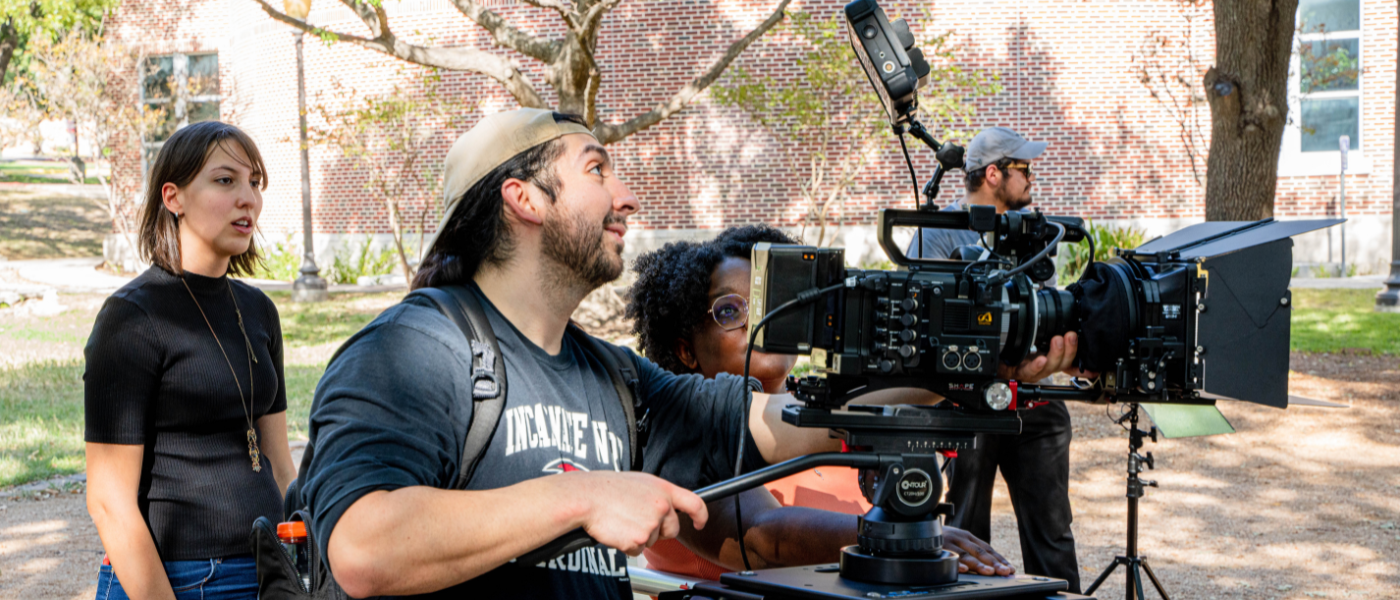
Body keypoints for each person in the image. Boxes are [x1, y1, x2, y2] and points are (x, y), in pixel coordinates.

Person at [295, 109, 1082, 599]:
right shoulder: (412, 345)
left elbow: (791, 424)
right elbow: (364, 548)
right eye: (597, 169)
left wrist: (966, 372)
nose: (626, 197)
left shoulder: (611, 376)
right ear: (523, 199)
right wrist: (583, 497)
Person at [627, 225, 1015, 579]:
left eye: (771, 304)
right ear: (685, 350)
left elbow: (881, 405)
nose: (759, 321)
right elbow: (765, 537)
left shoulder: (819, 405)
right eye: (730, 310)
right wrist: (903, 540)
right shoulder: (681, 426)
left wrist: (995, 362)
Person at [84, 121, 297, 600]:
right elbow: (108, 500)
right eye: (226, 181)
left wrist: (305, 551)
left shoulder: (259, 310)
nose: (248, 198)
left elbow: (281, 461)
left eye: (254, 182)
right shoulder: (132, 317)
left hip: (270, 569)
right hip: (183, 578)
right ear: (173, 197)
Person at [907, 126, 1085, 592]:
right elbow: (921, 329)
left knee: (1053, 533)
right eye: (1023, 168)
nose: (1032, 178)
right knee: (966, 529)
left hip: (1034, 397)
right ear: (993, 174)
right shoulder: (938, 237)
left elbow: (1041, 316)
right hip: (967, 402)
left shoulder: (1031, 235)